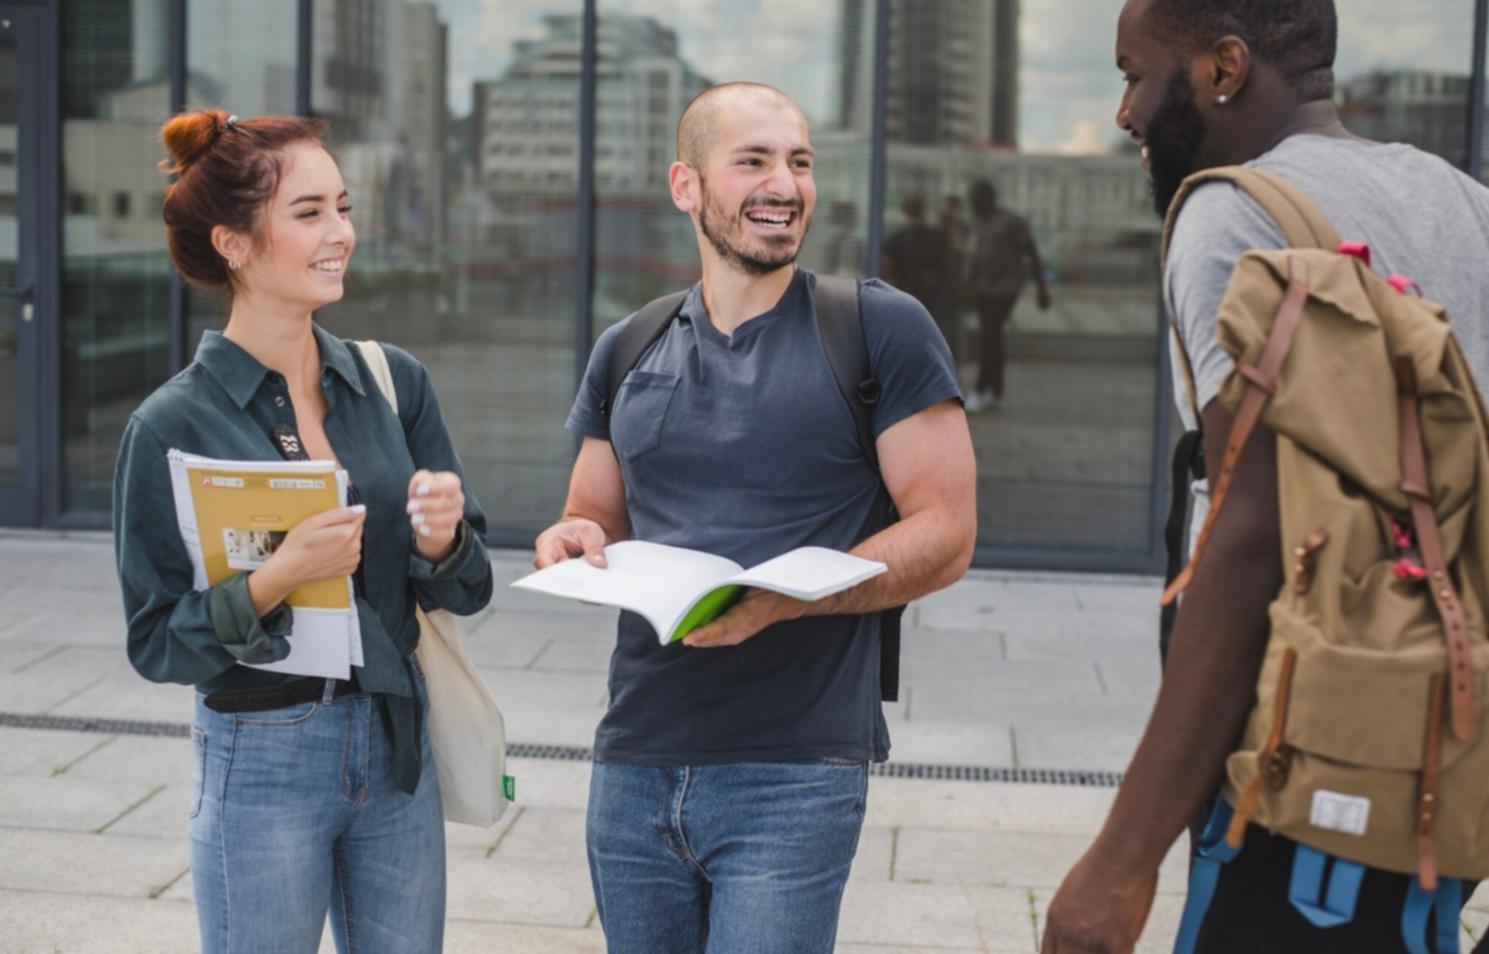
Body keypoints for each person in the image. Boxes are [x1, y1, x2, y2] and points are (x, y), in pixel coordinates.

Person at [1042, 2, 1489, 952]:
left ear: (1223, 68)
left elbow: (1253, 533)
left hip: (1308, 736)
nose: (1123, 112)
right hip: (1450, 719)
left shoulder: (1231, 210)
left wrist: (1119, 863)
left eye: (1133, 74)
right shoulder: (1457, 197)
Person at [533, 82, 976, 954]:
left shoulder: (877, 328)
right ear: (686, 185)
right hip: (634, 759)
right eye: (753, 161)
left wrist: (781, 602)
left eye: (799, 163)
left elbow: (946, 532)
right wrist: (573, 541)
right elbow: (591, 515)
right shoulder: (628, 344)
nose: (784, 184)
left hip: (794, 770)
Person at [113, 109, 493, 953]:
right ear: (234, 244)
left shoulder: (394, 383)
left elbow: (470, 589)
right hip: (262, 755)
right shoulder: (171, 424)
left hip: (397, 746)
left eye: (343, 208)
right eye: (309, 212)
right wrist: (276, 577)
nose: (341, 233)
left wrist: (441, 542)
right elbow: (156, 643)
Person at [963, 179, 1050, 413]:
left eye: (976, 199)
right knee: (992, 338)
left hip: (1006, 288)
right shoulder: (977, 221)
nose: (972, 204)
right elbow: (975, 256)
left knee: (989, 336)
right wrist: (967, 286)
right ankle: (996, 392)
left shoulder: (1012, 222)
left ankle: (980, 390)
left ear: (989, 198)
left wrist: (1042, 289)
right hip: (983, 287)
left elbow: (1032, 253)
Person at [881, 192, 952, 318]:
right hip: (931, 302)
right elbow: (946, 269)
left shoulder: (896, 240)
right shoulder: (938, 237)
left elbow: (887, 271)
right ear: (923, 211)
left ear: (905, 212)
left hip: (904, 299)